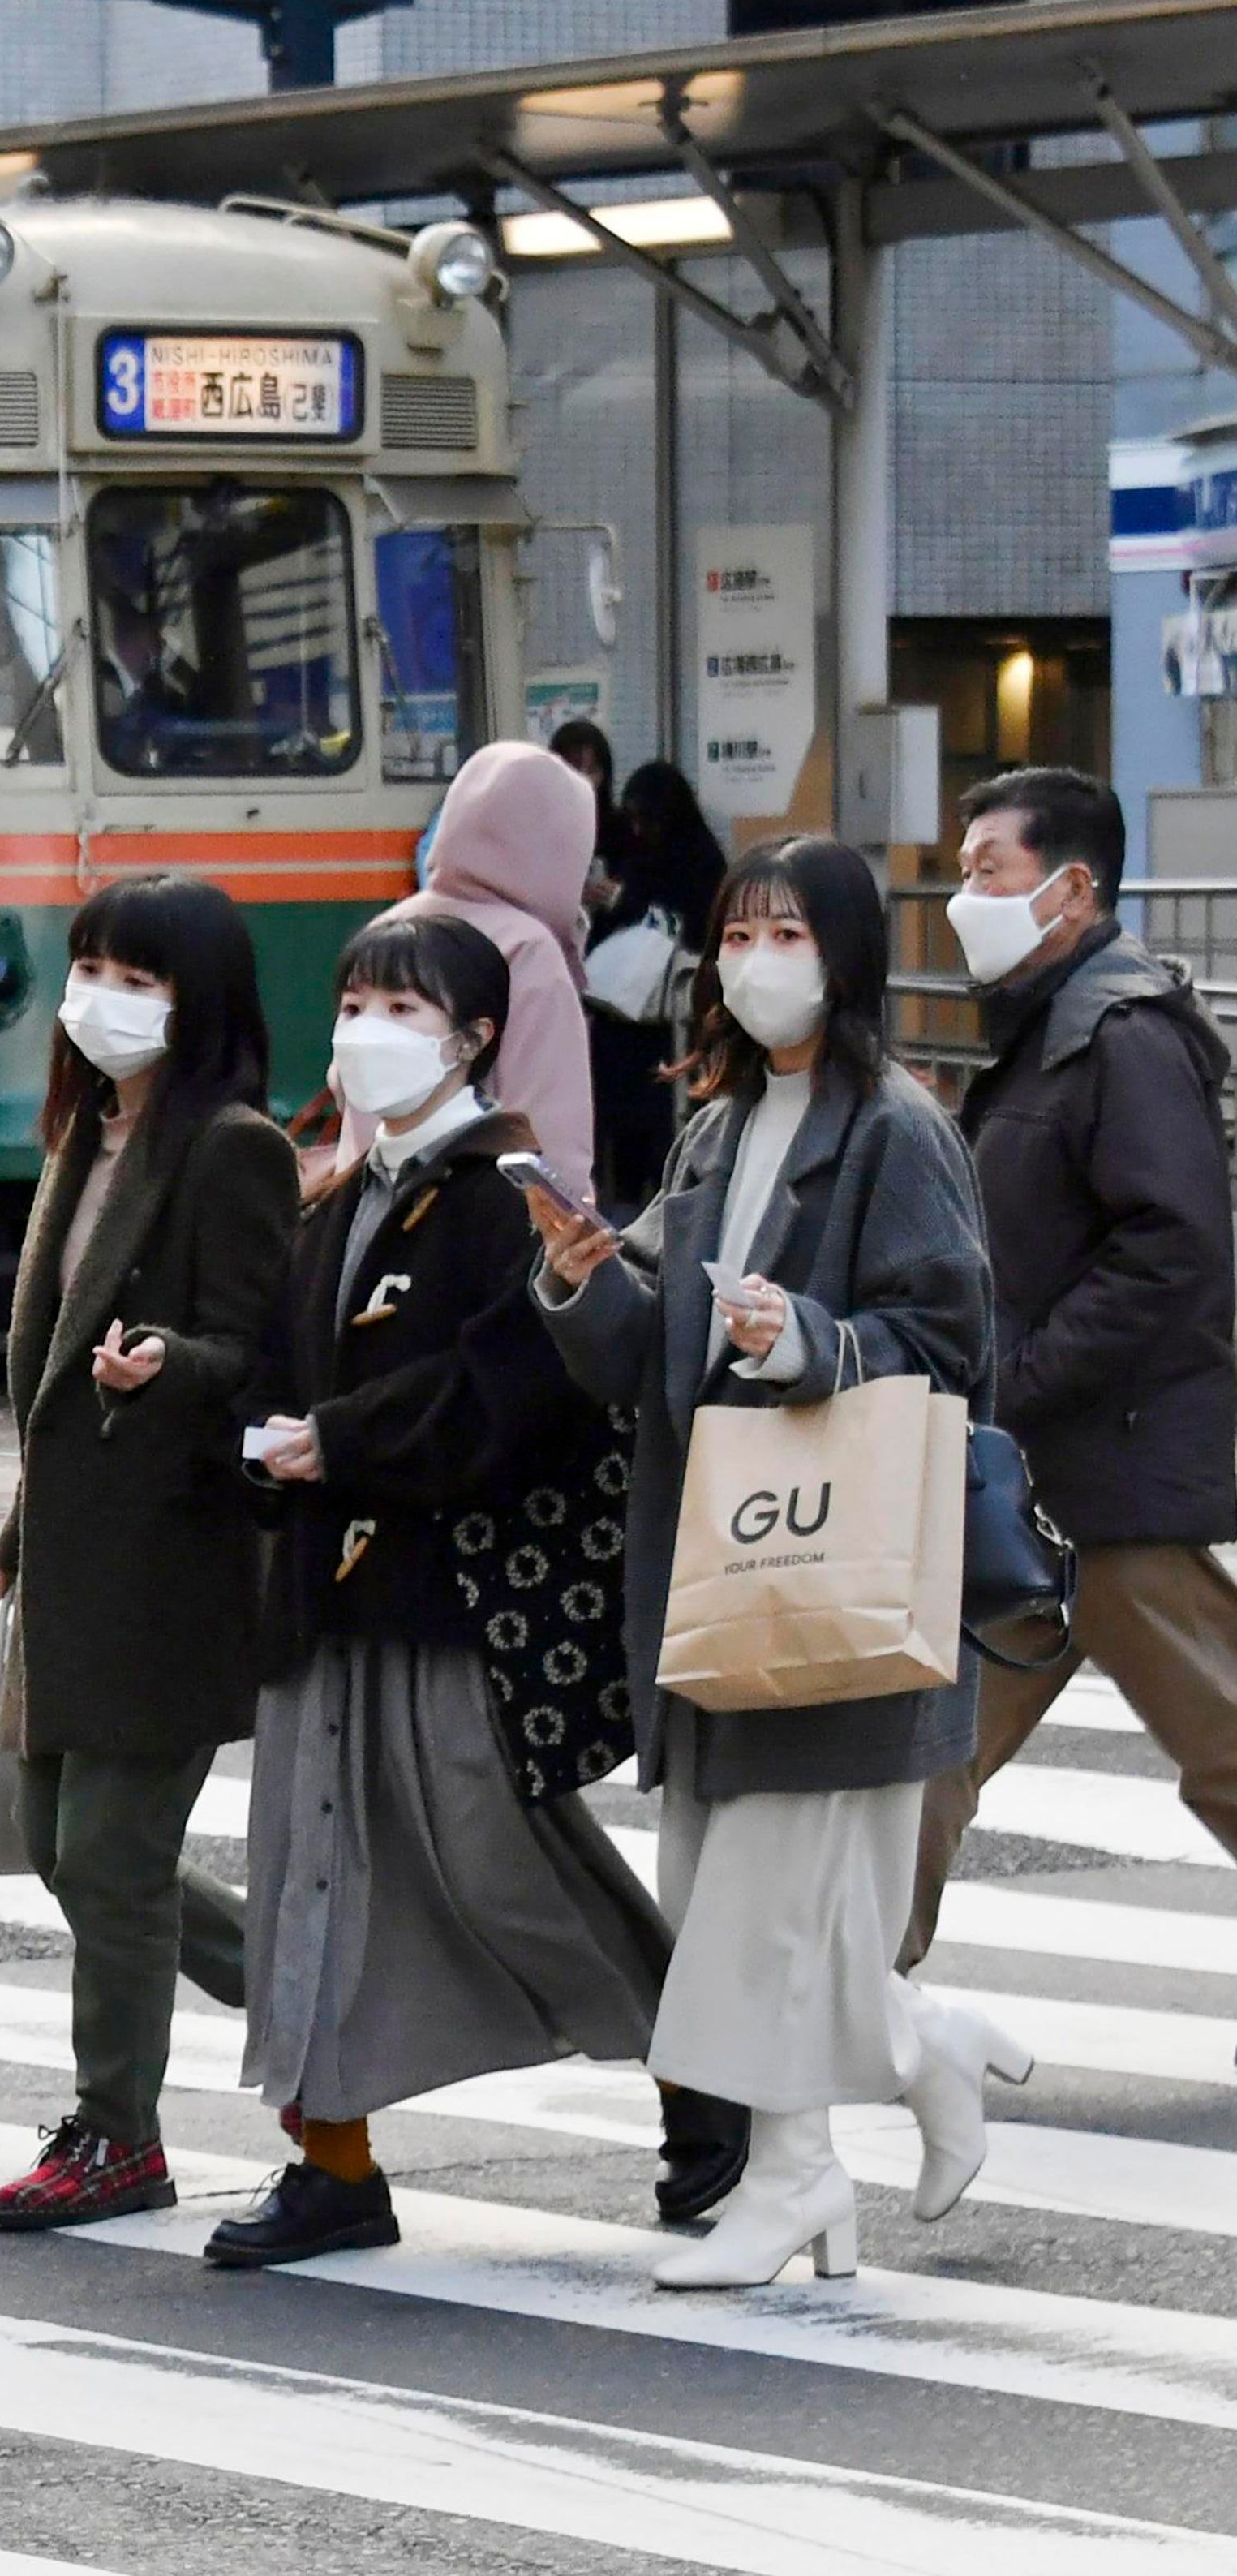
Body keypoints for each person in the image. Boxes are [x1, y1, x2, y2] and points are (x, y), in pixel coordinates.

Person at [531, 835, 1024, 2289]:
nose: (753, 960)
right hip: (725, 1573)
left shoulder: (897, 1130)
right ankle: (920, 2045)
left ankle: (797, 2171)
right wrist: (578, 1273)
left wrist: (808, 1339)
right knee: (730, 1898)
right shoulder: (712, 1131)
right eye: (739, 933)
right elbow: (649, 1362)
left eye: (787, 932)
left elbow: (950, 1346)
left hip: (831, 1571)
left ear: (847, 955)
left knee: (752, 1912)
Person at [217, 913, 707, 2268]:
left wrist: (348, 1439)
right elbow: (278, 1357)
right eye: (355, 994)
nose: (366, 1026)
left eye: (400, 1003)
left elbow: (520, 1382)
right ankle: (330, 2159)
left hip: (458, 1598)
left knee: (505, 1863)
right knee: (306, 1866)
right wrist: (263, 1432)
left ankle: (701, 2074)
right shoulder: (340, 1188)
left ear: (475, 1035)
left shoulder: (512, 1193)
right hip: (330, 1587)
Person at [0, 874, 296, 2230]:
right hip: (75, 1555)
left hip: (171, 1563)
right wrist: (18, 1532)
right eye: (94, 965)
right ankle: (309, 1987)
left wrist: (171, 1362)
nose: (106, 996)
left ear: (202, 999)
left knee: (109, 1851)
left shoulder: (228, 1145)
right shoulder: (84, 1134)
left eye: (143, 975)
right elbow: (51, 1367)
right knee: (67, 1845)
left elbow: (262, 1349)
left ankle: (119, 2133)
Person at [909, 770, 1237, 1951]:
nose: (964, 896)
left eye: (988, 869)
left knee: (1226, 1752)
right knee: (926, 1753)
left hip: (1111, 1484)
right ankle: (836, 2010)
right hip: (1034, 1481)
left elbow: (1177, 1251)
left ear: (1073, 887)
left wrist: (1027, 1376)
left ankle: (835, 2007)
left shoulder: (1122, 1034)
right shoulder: (1045, 1031)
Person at [352, 741, 599, 1200]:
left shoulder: (392, 928)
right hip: (481, 1223)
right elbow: (547, 1130)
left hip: (374, 1205)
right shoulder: (528, 948)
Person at [589, 761, 729, 1213]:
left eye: (646, 818)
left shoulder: (697, 860)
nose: (639, 828)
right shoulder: (644, 855)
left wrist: (622, 900)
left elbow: (695, 922)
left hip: (670, 1019)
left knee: (660, 1127)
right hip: (629, 1019)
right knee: (630, 1128)